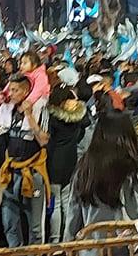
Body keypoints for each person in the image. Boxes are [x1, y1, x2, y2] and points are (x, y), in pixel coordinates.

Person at [65, 112, 138, 241]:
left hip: (91, 248)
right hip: (131, 248)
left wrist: (67, 244)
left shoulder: (84, 168)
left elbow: (73, 215)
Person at [0, 74, 50, 247]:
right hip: (10, 173)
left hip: (32, 174)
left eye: (15, 90)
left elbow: (43, 140)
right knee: (9, 223)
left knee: (35, 226)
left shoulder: (40, 108)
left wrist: (29, 115)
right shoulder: (8, 110)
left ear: (27, 91)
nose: (11, 94)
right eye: (10, 89)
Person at [45, 86, 90, 243]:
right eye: (73, 98)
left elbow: (48, 143)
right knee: (66, 202)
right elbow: (85, 123)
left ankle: (55, 239)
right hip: (71, 161)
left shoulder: (53, 119)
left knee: (56, 203)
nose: (76, 101)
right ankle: (67, 238)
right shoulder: (78, 119)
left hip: (54, 163)